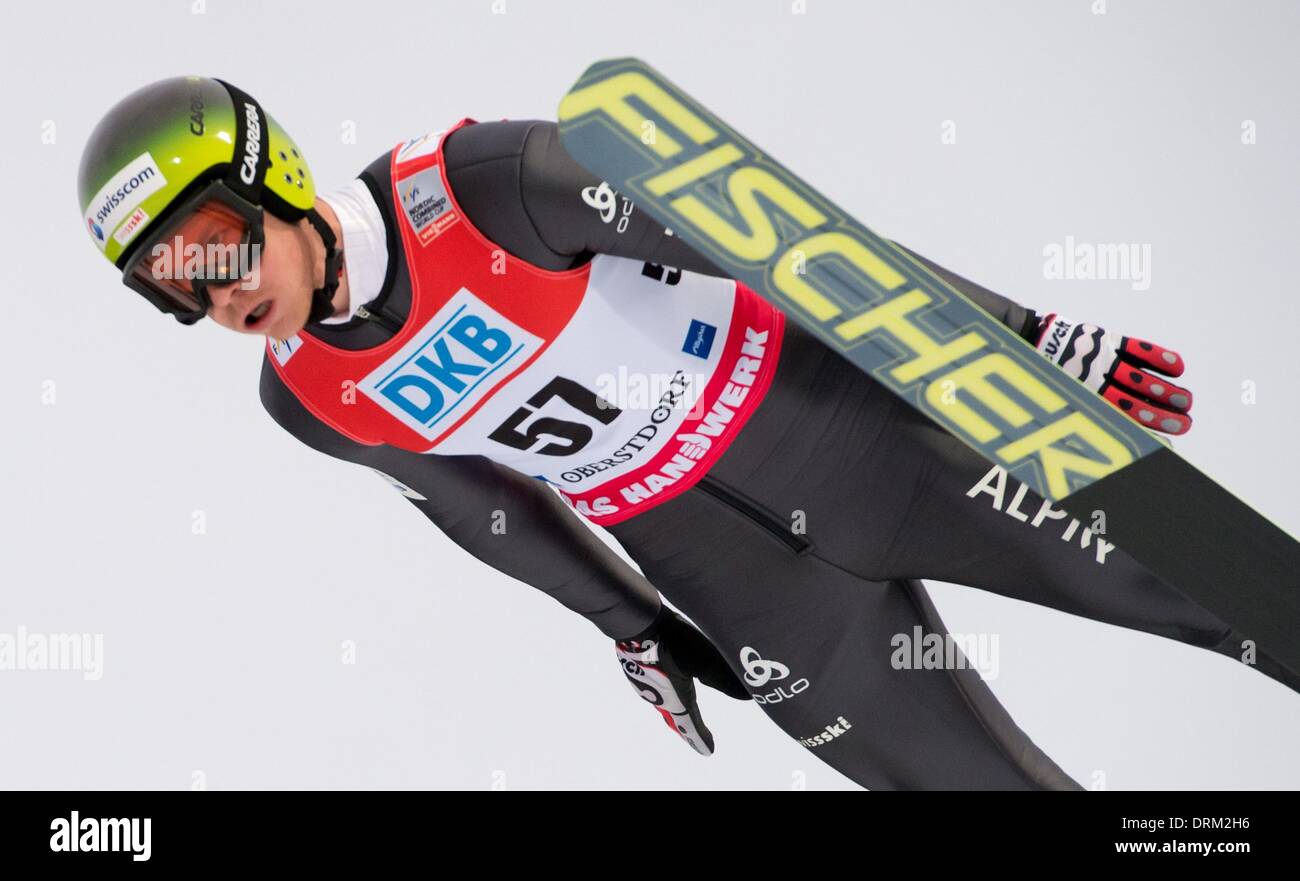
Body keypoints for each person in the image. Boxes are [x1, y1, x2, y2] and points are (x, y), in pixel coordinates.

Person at [78, 76, 1291, 790]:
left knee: (1249, 605)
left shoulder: (482, 185)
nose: (216, 294)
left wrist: (1015, 333)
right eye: (173, 287)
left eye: (216, 246)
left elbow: (791, 245)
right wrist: (635, 626)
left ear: (271, 177)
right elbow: (477, 506)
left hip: (874, 446)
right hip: (756, 598)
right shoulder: (309, 398)